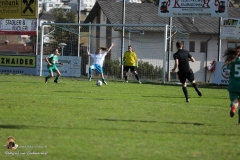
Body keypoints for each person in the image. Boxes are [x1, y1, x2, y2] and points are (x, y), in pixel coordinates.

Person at [223, 46, 240, 123]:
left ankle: (233, 107)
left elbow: (227, 72)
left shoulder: (231, 61)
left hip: (233, 84)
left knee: (235, 101)